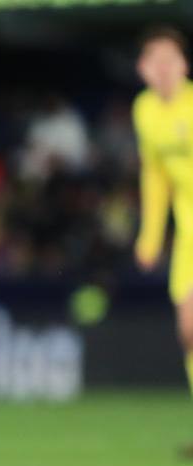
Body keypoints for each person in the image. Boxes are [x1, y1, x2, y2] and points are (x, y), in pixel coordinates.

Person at [133, 26, 193, 418]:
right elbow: (155, 176)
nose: (163, 68)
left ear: (184, 65)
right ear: (142, 68)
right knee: (189, 330)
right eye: (155, 61)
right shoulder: (145, 110)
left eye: (170, 59)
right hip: (189, 232)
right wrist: (150, 237)